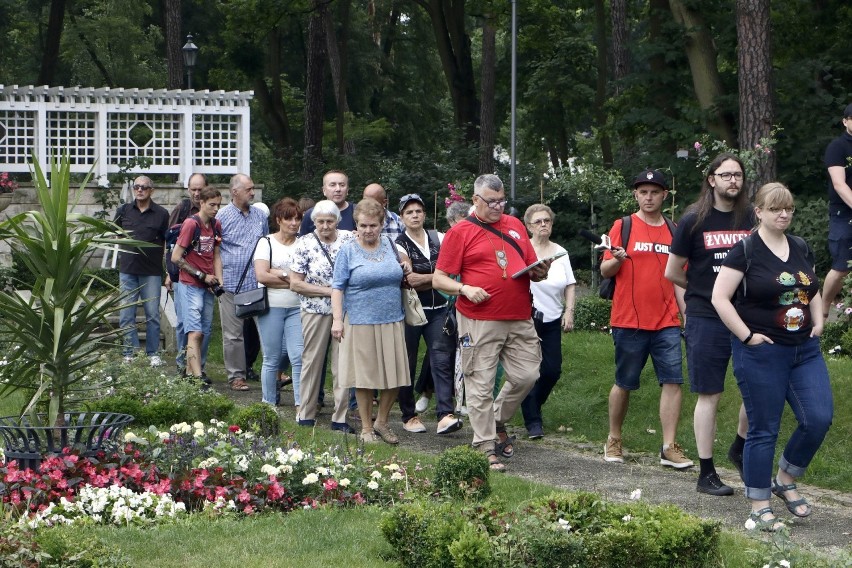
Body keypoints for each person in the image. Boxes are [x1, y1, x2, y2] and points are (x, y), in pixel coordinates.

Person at [712, 182, 833, 532]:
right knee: (763, 428)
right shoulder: (745, 250)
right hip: (761, 351)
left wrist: (820, 318)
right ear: (759, 212)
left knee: (819, 418)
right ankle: (759, 505)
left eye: (789, 209)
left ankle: (785, 477)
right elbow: (720, 298)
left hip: (804, 350)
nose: (784, 214)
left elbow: (811, 286)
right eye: (775, 208)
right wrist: (747, 337)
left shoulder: (800, 246)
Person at [433, 174, 549, 472]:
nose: (498, 207)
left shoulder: (515, 226)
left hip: (519, 316)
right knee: (480, 382)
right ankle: (484, 444)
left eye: (502, 201)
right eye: (491, 202)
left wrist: (539, 272)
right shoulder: (461, 232)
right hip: (478, 318)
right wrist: (464, 289)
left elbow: (528, 264)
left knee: (528, 375)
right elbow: (439, 278)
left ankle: (495, 419)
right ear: (475, 200)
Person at [665, 153, 752, 496]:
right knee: (709, 394)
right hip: (706, 317)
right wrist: (703, 292)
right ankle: (706, 472)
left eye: (738, 175)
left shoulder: (750, 218)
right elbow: (672, 271)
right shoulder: (693, 220)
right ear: (712, 180)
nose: (733, 180)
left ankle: (741, 448)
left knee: (757, 388)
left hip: (746, 315)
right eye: (726, 174)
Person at [601, 169, 693, 470]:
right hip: (628, 320)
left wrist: (686, 316)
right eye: (643, 192)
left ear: (665, 195)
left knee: (673, 381)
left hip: (666, 321)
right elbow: (606, 271)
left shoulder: (674, 229)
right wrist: (617, 257)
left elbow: (680, 277)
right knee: (624, 382)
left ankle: (668, 447)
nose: (649, 197)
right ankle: (614, 438)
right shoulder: (623, 225)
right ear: (635, 194)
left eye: (655, 192)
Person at [331, 198, 412, 444]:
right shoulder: (348, 250)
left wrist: (405, 265)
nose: (368, 230)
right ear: (356, 224)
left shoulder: (389, 244)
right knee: (364, 378)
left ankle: (382, 422)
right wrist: (337, 320)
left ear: (381, 225)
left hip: (392, 319)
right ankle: (366, 428)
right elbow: (337, 287)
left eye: (373, 225)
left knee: (394, 376)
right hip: (360, 320)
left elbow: (399, 267)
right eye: (363, 225)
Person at [395, 193, 462, 435]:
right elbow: (409, 279)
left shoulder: (439, 237)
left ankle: (445, 414)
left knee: (442, 360)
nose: (414, 215)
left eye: (418, 211)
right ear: (402, 217)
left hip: (439, 311)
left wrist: (430, 280)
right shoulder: (398, 243)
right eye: (409, 212)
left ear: (424, 214)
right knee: (408, 362)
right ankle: (409, 415)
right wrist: (439, 278)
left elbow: (454, 270)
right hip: (411, 311)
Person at [290, 200, 356, 432]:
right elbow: (296, 283)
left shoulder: (349, 239)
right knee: (312, 361)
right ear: (313, 222)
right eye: (320, 222)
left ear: (337, 221)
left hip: (346, 311)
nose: (325, 226)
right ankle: (306, 413)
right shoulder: (304, 243)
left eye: (330, 221)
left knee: (343, 364)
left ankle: (340, 418)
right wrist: (330, 291)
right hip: (314, 310)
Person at [519, 204, 576, 440]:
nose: (543, 225)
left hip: (552, 319)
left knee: (552, 370)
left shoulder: (561, 252)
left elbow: (570, 284)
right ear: (529, 226)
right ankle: (533, 421)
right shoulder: (523, 251)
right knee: (529, 372)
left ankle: (532, 403)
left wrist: (569, 311)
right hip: (526, 318)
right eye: (538, 221)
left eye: (547, 221)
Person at [216, 173, 268, 391]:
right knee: (233, 334)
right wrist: (218, 280)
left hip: (257, 283)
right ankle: (237, 376)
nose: (253, 192)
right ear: (234, 191)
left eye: (253, 188)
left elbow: (266, 245)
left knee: (266, 331)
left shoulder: (260, 216)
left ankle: (273, 373)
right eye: (248, 189)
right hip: (231, 283)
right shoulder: (221, 216)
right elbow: (215, 249)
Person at [114, 176, 170, 366]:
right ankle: (129, 353)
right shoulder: (123, 211)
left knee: (152, 314)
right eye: (136, 187)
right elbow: (115, 233)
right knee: (126, 315)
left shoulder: (162, 213)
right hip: (128, 270)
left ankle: (153, 353)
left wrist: (168, 270)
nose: (139, 190)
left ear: (151, 190)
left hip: (151, 271)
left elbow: (166, 242)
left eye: (144, 187)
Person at [253, 198, 303, 408]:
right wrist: (290, 277)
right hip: (271, 306)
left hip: (297, 307)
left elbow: (307, 278)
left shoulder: (304, 243)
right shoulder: (266, 242)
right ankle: (268, 404)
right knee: (272, 357)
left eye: (297, 219)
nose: (293, 223)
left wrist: (279, 274)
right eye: (288, 218)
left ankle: (303, 405)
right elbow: (262, 276)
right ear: (278, 220)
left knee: (299, 356)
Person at [170, 186, 223, 382]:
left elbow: (216, 254)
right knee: (195, 330)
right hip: (190, 283)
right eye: (212, 205)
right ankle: (196, 377)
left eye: (218, 205)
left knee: (206, 331)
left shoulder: (216, 225)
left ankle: (195, 370)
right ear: (201, 203)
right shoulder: (191, 224)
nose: (216, 209)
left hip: (208, 285)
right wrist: (202, 275)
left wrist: (219, 280)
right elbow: (176, 257)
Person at [167, 173, 211, 376]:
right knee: (185, 323)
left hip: (205, 278)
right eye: (192, 189)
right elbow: (169, 244)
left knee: (203, 327)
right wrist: (169, 273)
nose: (196, 193)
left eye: (199, 189)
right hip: (182, 274)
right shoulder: (182, 210)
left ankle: (197, 367)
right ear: (187, 190)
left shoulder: (212, 212)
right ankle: (181, 364)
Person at [821, 103, 852, 319]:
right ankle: (823, 309)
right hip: (844, 213)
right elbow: (839, 185)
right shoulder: (838, 147)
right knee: (842, 266)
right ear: (845, 121)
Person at [299, 170, 355, 234]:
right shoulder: (311, 214)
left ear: (347, 190)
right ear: (324, 190)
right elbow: (303, 241)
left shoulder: (357, 212)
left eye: (342, 185)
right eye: (332, 185)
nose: (338, 189)